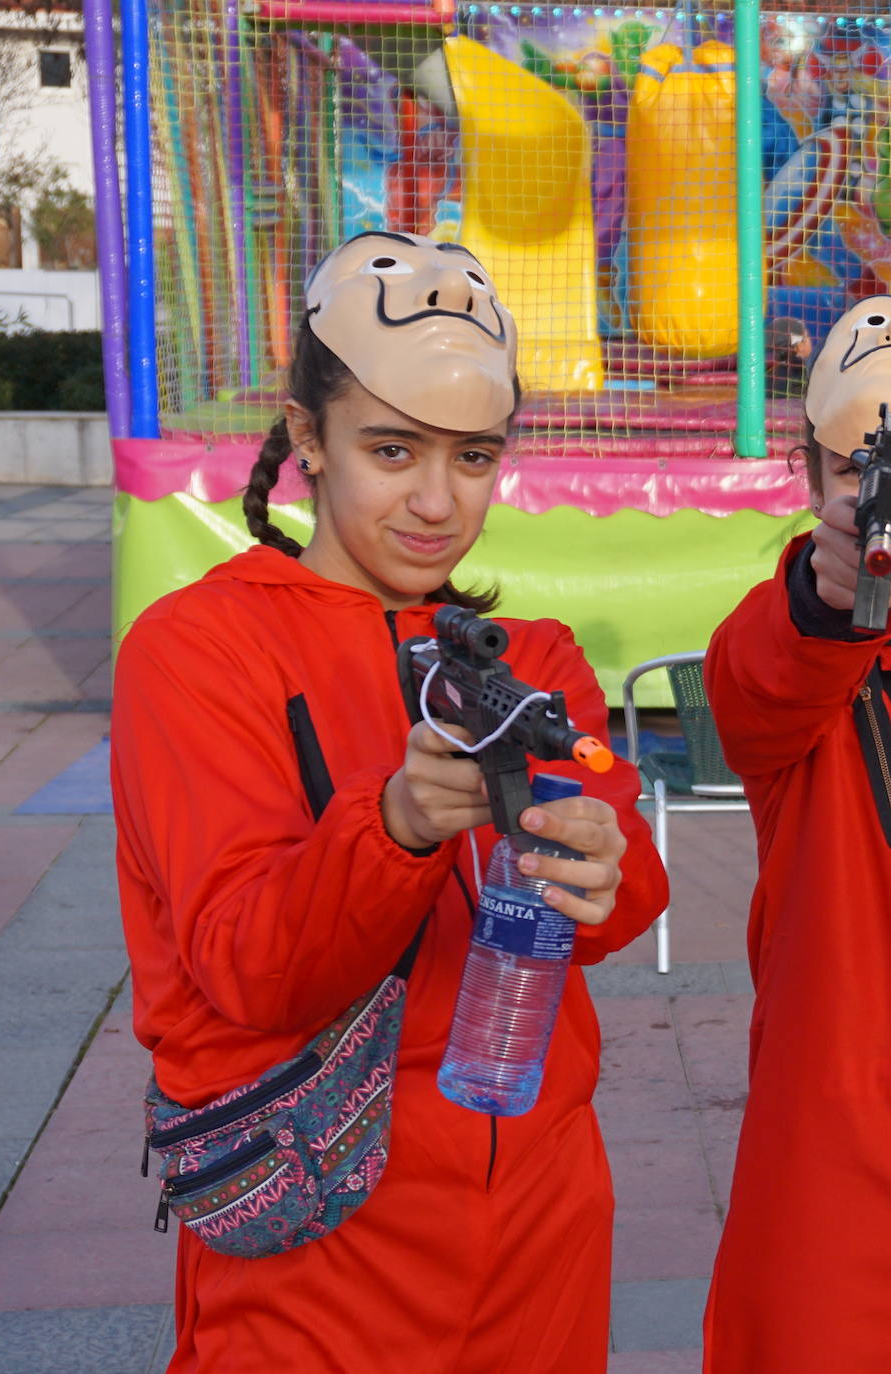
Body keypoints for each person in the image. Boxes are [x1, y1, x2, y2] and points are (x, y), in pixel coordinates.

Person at [111, 230, 668, 1374]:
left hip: (540, 1218)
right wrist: (397, 823)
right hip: (317, 1233)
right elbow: (249, 967)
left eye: (472, 458)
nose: (434, 501)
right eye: (391, 449)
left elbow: (605, 912)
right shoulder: (198, 650)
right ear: (307, 436)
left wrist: (607, 865)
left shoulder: (534, 658)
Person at [702, 295, 891, 1373]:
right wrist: (829, 602)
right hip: (832, 1125)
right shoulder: (790, 636)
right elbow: (749, 694)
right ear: (806, 476)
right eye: (845, 472)